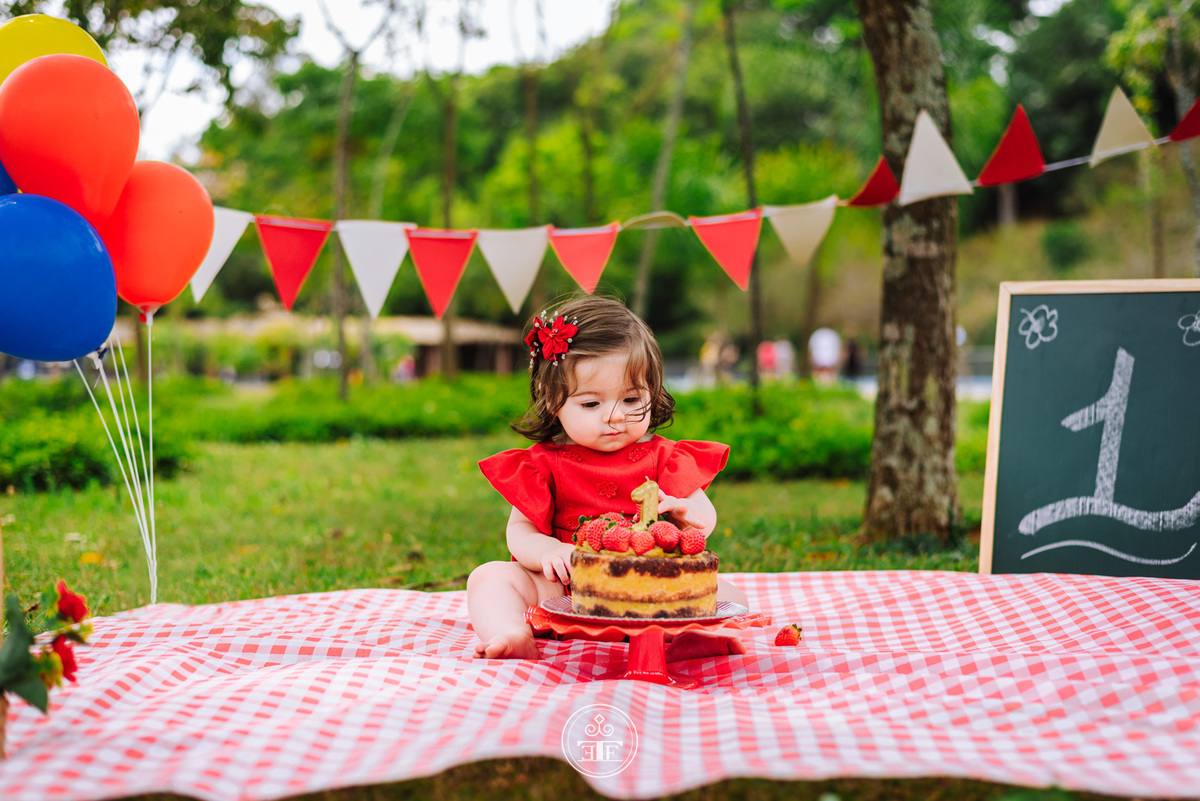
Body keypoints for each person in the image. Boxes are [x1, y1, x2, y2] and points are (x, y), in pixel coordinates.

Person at [468, 295, 749, 661]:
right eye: (591, 404)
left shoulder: (665, 457)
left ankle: (690, 640)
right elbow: (519, 532)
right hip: (564, 589)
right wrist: (549, 550)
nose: (614, 416)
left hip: (648, 589)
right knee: (489, 577)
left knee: (728, 595)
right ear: (552, 400)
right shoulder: (544, 463)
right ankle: (511, 632)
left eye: (632, 400)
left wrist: (684, 511)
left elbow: (704, 516)